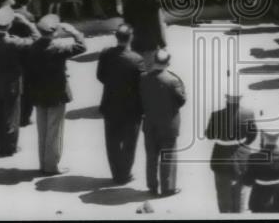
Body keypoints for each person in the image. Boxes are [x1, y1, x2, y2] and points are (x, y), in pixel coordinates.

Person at [24, 13, 86, 175]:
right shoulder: (58, 47)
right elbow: (81, 47)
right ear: (54, 32)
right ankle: (51, 166)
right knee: (54, 130)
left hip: (38, 93)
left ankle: (43, 163)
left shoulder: (33, 46)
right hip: (57, 93)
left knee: (42, 130)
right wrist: (74, 32)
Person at [0, 5, 39, 155]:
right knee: (12, 115)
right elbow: (37, 39)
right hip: (12, 81)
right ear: (9, 24)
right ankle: (10, 146)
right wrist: (27, 23)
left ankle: (0, 144)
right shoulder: (13, 42)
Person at [96, 24, 146, 185]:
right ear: (131, 38)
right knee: (129, 142)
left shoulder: (105, 54)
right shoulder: (137, 59)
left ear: (116, 37)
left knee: (112, 141)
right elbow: (141, 85)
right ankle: (125, 174)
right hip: (131, 108)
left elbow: (100, 76)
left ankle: (116, 173)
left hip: (110, 103)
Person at [141, 49, 186, 197]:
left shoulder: (143, 78)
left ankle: (152, 186)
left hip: (150, 124)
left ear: (154, 61)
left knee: (151, 156)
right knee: (168, 156)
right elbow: (182, 100)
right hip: (168, 125)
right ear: (168, 63)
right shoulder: (173, 80)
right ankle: (168, 188)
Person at [205, 86, 256, 211]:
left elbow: (210, 135)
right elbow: (253, 134)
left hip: (221, 155)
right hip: (242, 154)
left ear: (226, 98)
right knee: (241, 192)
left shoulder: (216, 115)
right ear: (240, 98)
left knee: (222, 193)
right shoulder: (248, 113)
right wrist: (242, 144)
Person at [244, 118, 279, 213]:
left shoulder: (253, 157)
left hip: (258, 200)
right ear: (278, 136)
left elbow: (247, 182)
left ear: (264, 136)